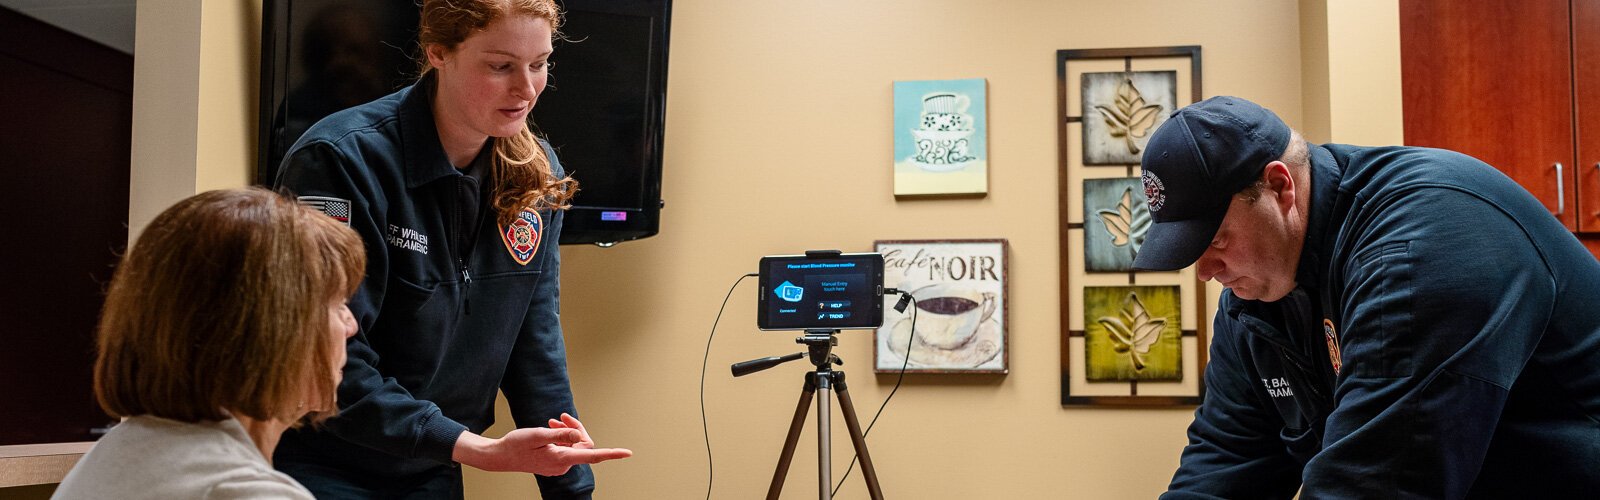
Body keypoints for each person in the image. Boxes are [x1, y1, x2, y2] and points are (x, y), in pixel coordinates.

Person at [1135, 96, 1600, 498]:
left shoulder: (1424, 244)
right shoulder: (1253, 301)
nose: (1205, 272)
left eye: (1215, 241)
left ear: (1280, 187)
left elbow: (1375, 482)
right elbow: (1227, 461)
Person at [271, 0, 632, 498]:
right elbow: (322, 359)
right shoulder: (340, 159)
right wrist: (471, 448)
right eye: (500, 66)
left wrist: (571, 487)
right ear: (438, 52)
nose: (525, 89)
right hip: (324, 462)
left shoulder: (535, 170)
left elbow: (535, 343)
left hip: (431, 466)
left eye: (539, 63)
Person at [53, 188, 366, 500]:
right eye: (338, 305)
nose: (351, 326)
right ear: (271, 331)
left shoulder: (108, 457)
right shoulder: (241, 491)